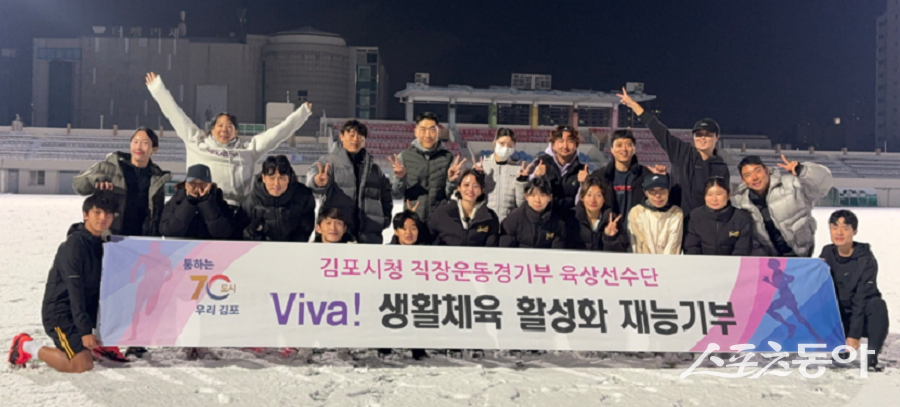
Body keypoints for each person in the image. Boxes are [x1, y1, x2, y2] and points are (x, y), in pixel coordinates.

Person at [145, 72, 313, 206]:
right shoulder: (196, 142)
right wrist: (158, 89)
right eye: (220, 125)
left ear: (236, 132)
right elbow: (175, 114)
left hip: (235, 209)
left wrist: (301, 115)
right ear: (212, 129)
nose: (224, 130)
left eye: (229, 126)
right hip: (201, 205)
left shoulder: (248, 150)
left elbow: (277, 134)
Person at [8, 194, 125, 372]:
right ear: (85, 215)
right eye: (97, 212)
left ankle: (100, 344)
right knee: (82, 364)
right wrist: (85, 332)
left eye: (108, 214)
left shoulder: (102, 244)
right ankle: (26, 346)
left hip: (84, 310)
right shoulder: (73, 247)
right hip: (60, 313)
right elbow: (74, 291)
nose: (103, 218)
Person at [617, 88, 729, 218]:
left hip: (704, 223)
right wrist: (633, 104)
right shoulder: (681, 151)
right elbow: (658, 129)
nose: (702, 138)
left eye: (707, 134)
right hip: (676, 219)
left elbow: (723, 201)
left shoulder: (721, 168)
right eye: (698, 134)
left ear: (717, 137)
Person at [820, 210, 889, 371]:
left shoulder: (866, 260)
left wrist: (854, 335)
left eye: (845, 228)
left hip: (862, 313)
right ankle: (840, 347)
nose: (839, 232)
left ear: (854, 231)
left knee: (877, 305)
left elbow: (861, 298)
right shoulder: (827, 253)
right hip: (840, 313)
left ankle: (871, 357)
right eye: (834, 227)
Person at [72, 127, 172, 237]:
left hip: (143, 240)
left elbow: (156, 214)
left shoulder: (157, 178)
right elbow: (78, 185)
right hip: (110, 238)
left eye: (145, 143)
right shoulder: (109, 167)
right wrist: (96, 179)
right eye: (135, 142)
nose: (138, 147)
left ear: (154, 149)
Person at [307, 120, 393, 243]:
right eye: (351, 135)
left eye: (360, 136)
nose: (355, 139)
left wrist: (383, 219)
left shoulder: (374, 169)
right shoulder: (329, 162)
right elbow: (313, 176)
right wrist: (318, 182)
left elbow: (386, 195)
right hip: (336, 234)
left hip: (369, 236)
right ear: (341, 136)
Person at [732, 155, 833, 257]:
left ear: (766, 170)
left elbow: (824, 183)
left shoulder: (792, 185)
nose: (754, 177)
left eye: (757, 171)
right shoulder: (740, 203)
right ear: (743, 180)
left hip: (800, 257)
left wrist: (802, 171)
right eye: (747, 175)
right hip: (768, 262)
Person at [388, 112, 466, 222]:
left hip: (440, 222)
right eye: (423, 129)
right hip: (413, 222)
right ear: (416, 132)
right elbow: (396, 195)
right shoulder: (404, 157)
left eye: (432, 130)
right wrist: (400, 178)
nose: (428, 135)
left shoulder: (448, 158)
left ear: (438, 132)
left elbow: (452, 197)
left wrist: (451, 181)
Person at [590, 129, 656, 227]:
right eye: (619, 145)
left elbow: (658, 202)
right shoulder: (600, 176)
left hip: (638, 231)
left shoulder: (645, 175)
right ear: (612, 149)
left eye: (628, 144)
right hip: (609, 231)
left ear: (634, 149)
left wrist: (661, 179)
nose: (624, 149)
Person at [240, 155, 316, 242]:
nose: (276, 184)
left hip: (292, 247)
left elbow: (305, 229)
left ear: (289, 178)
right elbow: (240, 232)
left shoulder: (303, 196)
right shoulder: (252, 200)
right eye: (272, 178)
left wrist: (293, 246)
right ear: (264, 178)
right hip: (261, 247)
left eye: (281, 178)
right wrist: (254, 232)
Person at [159, 164, 235, 239]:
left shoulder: (218, 201)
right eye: (193, 184)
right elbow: (168, 230)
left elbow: (224, 232)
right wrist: (189, 202)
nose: (198, 188)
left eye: (202, 184)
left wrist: (206, 203)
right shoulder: (176, 201)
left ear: (209, 185)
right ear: (186, 184)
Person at [427, 169, 500, 247]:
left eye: (475, 186)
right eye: (466, 185)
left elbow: (491, 248)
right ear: (459, 188)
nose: (470, 190)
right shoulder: (442, 213)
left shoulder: (490, 217)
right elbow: (427, 238)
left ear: (481, 190)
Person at [683, 177, 755, 256]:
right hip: (701, 262)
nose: (714, 199)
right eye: (709, 194)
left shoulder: (741, 219)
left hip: (732, 263)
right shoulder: (695, 216)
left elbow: (742, 251)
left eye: (719, 194)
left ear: (728, 195)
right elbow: (691, 247)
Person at [531, 125, 589, 213]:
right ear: (553, 145)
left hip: (570, 218)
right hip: (544, 216)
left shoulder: (582, 169)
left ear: (576, 145)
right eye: (561, 141)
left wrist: (584, 184)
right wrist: (535, 177)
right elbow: (528, 196)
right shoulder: (540, 163)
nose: (565, 146)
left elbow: (582, 205)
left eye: (570, 141)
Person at [474, 127, 525, 222]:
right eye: (502, 144)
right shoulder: (480, 167)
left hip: (508, 223)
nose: (505, 148)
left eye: (510, 145)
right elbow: (473, 199)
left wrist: (522, 182)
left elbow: (521, 204)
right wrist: (477, 176)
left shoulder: (518, 170)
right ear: (494, 143)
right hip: (485, 222)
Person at [500, 177, 566, 249]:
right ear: (526, 196)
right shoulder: (514, 218)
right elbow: (505, 249)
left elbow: (557, 252)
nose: (537, 200)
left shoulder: (558, 223)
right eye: (533, 195)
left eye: (542, 195)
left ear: (550, 197)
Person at [565, 177, 628, 252]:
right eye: (589, 195)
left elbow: (619, 254)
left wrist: (609, 238)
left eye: (598, 195)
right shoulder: (571, 218)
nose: (593, 200)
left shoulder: (612, 220)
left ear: (604, 199)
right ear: (582, 197)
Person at [628, 174, 684, 255]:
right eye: (652, 190)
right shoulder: (637, 212)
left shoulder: (676, 212)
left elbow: (673, 245)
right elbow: (638, 245)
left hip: (668, 262)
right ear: (646, 193)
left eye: (662, 190)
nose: (657, 195)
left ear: (668, 191)